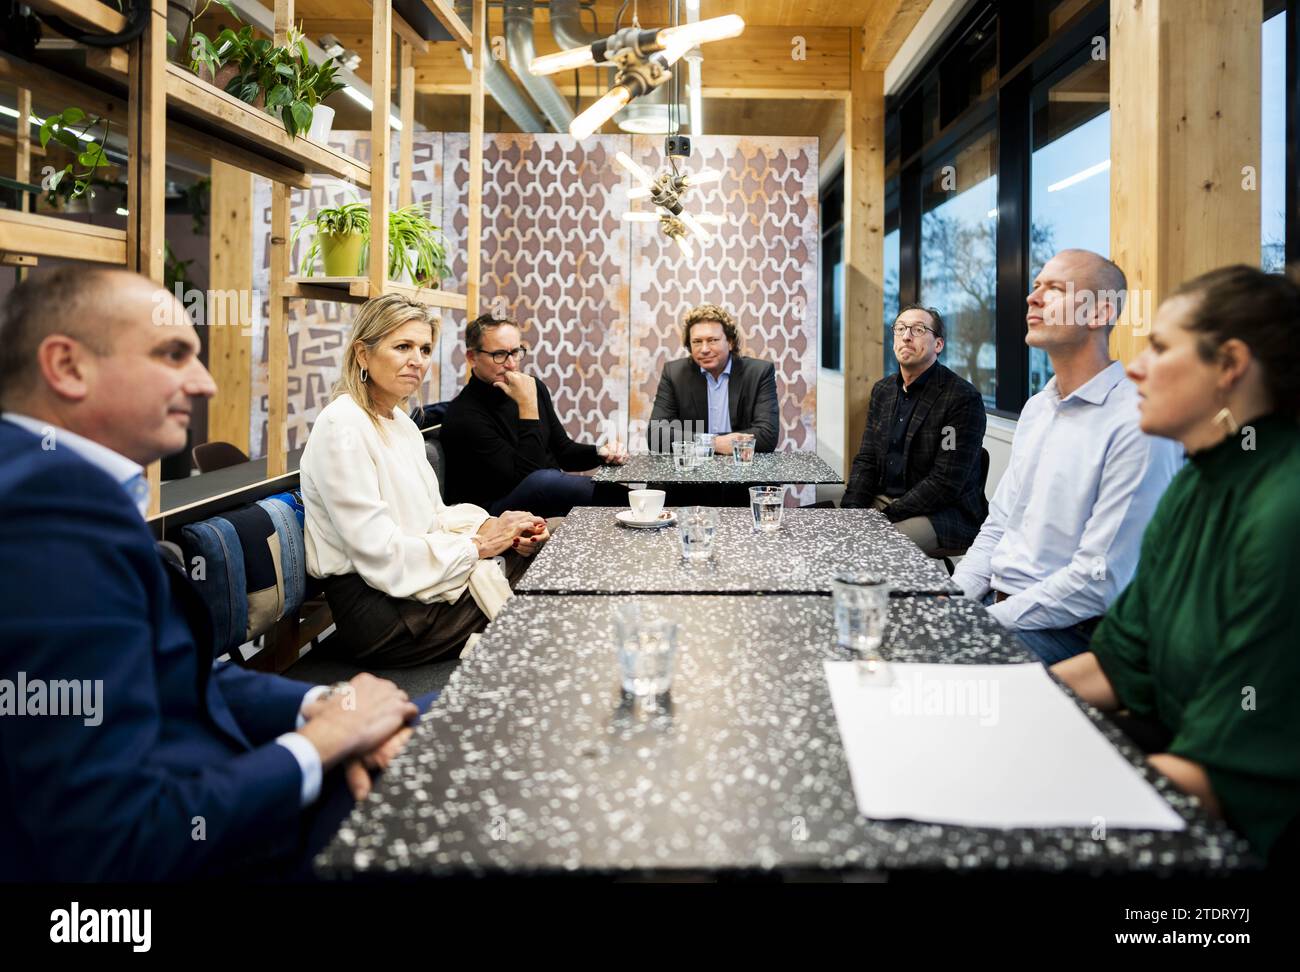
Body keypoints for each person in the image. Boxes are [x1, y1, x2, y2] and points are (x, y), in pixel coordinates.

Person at [0, 268, 419, 881]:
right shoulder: (41, 520)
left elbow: (181, 677)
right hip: (220, 846)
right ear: (67, 367)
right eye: (173, 354)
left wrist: (331, 704)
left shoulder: (64, 489)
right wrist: (319, 747)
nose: (204, 382)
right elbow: (109, 843)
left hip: (230, 786)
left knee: (453, 717)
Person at [1053, 265, 1300, 862]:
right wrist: (1002, 706)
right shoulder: (1196, 480)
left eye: (1160, 347)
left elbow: (1223, 773)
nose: (1135, 366)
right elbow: (1120, 662)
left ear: (1229, 365)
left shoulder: (1283, 509)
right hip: (1175, 750)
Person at [952, 249, 1183, 664]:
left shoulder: (1137, 422)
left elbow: (1098, 582)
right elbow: (999, 524)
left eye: (1055, 288)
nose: (1032, 298)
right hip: (1001, 604)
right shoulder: (1038, 407)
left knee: (929, 677)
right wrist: (952, 598)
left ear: (1099, 313)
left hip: (1071, 631)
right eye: (1036, 285)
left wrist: (981, 620)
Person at [301, 296, 553, 667]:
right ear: (362, 354)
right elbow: (381, 555)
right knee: (551, 585)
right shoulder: (342, 427)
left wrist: (496, 526)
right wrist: (478, 547)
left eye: (424, 349)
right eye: (402, 346)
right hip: (386, 617)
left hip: (420, 590)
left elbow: (435, 515)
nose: (417, 360)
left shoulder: (400, 422)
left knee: (551, 537)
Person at [440, 312, 628, 517]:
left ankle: (651, 503)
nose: (511, 364)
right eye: (499, 354)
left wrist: (601, 452)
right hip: (492, 512)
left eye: (516, 352)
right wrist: (527, 407)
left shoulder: (532, 387)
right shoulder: (464, 416)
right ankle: (643, 505)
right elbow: (528, 479)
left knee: (550, 481)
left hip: (543, 491)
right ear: (472, 357)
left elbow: (563, 451)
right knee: (545, 481)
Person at [841, 304, 987, 556]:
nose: (906, 336)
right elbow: (867, 459)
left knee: (867, 548)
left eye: (918, 329)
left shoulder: (961, 398)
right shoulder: (883, 391)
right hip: (885, 500)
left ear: (938, 345)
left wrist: (883, 518)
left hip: (942, 512)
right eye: (900, 329)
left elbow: (944, 483)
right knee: (823, 529)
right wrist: (852, 512)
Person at [648, 302, 779, 455]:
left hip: (743, 469)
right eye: (697, 342)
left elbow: (768, 436)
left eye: (712, 340)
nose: (704, 349)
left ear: (730, 342)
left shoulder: (759, 373)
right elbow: (656, 436)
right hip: (692, 471)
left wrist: (703, 442)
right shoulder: (675, 374)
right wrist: (713, 443)